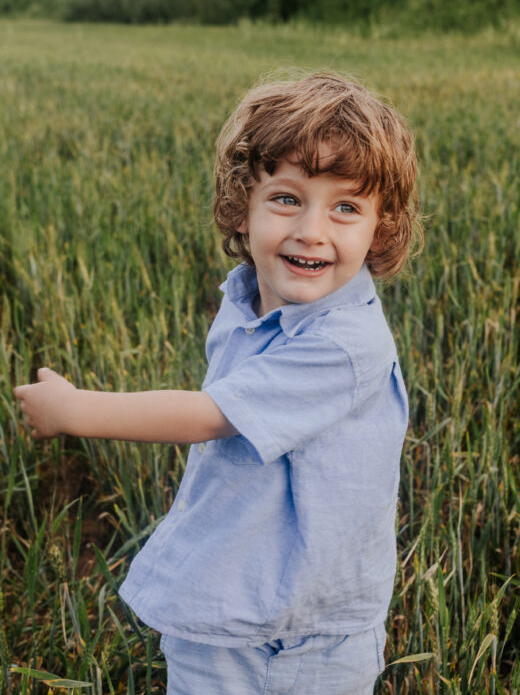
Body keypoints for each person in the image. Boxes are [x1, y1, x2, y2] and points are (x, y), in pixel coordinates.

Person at [14, 72, 422, 695]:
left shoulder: (344, 343)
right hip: (236, 599)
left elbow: (208, 416)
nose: (313, 229)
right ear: (243, 205)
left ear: (380, 228)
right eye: (287, 198)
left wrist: (73, 409)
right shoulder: (250, 299)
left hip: (299, 640)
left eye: (346, 207)